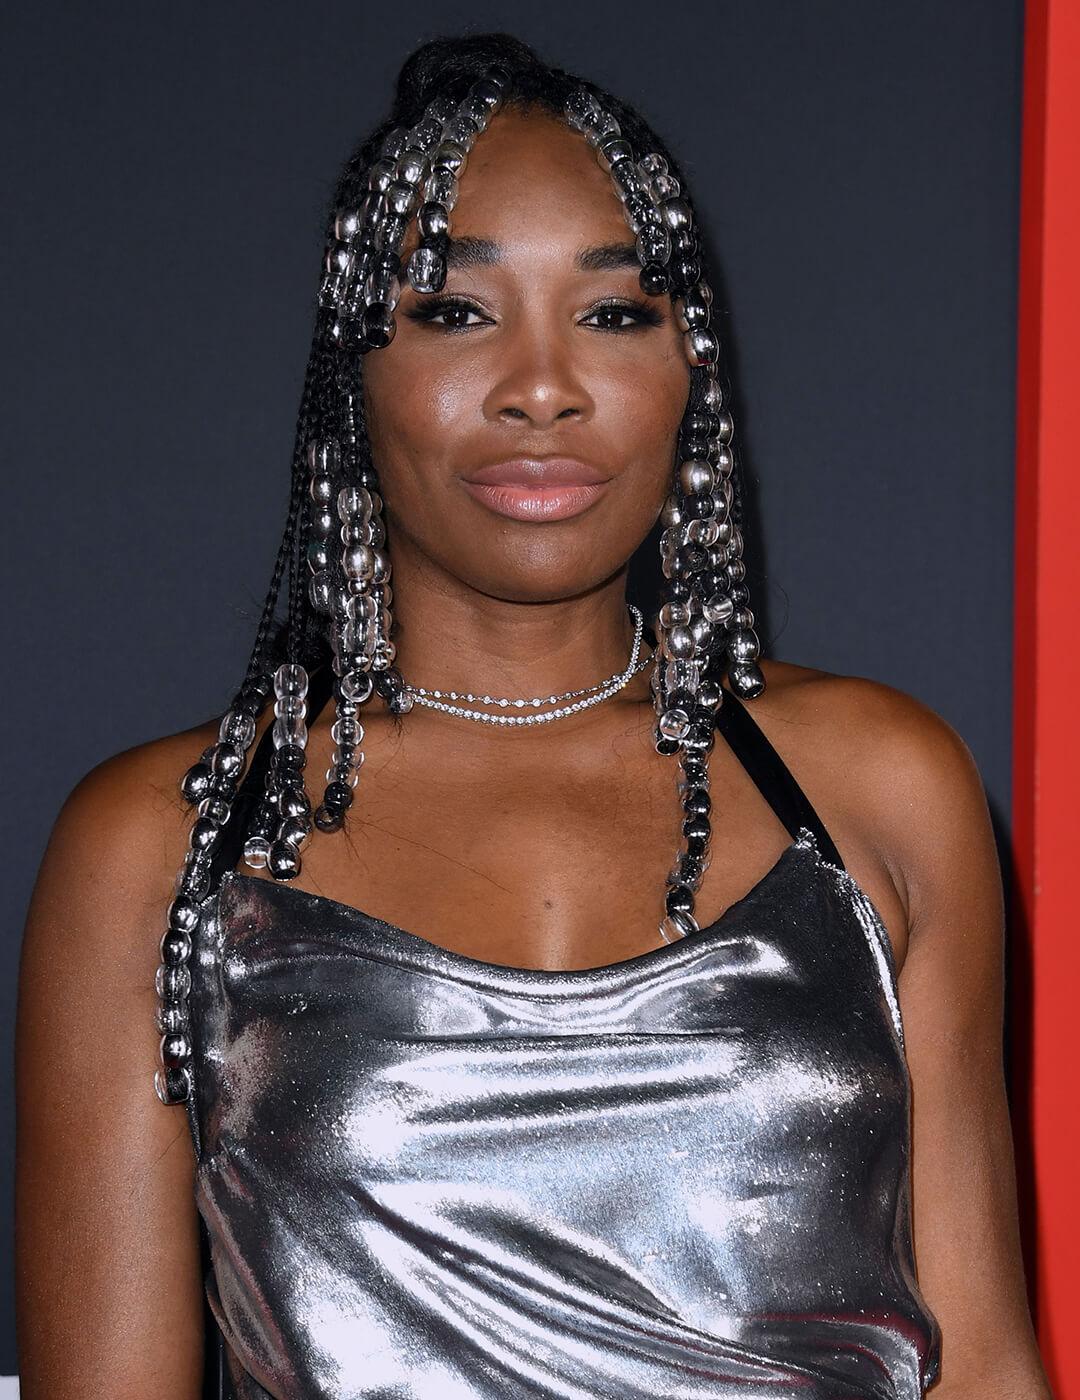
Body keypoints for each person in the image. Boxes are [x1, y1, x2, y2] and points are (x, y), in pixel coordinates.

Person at [14, 30, 1051, 1400]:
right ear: (352, 370)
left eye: (615, 314)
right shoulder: (165, 843)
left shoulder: (881, 788)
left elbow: (985, 1364)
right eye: (455, 312)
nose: (544, 386)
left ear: (692, 371)